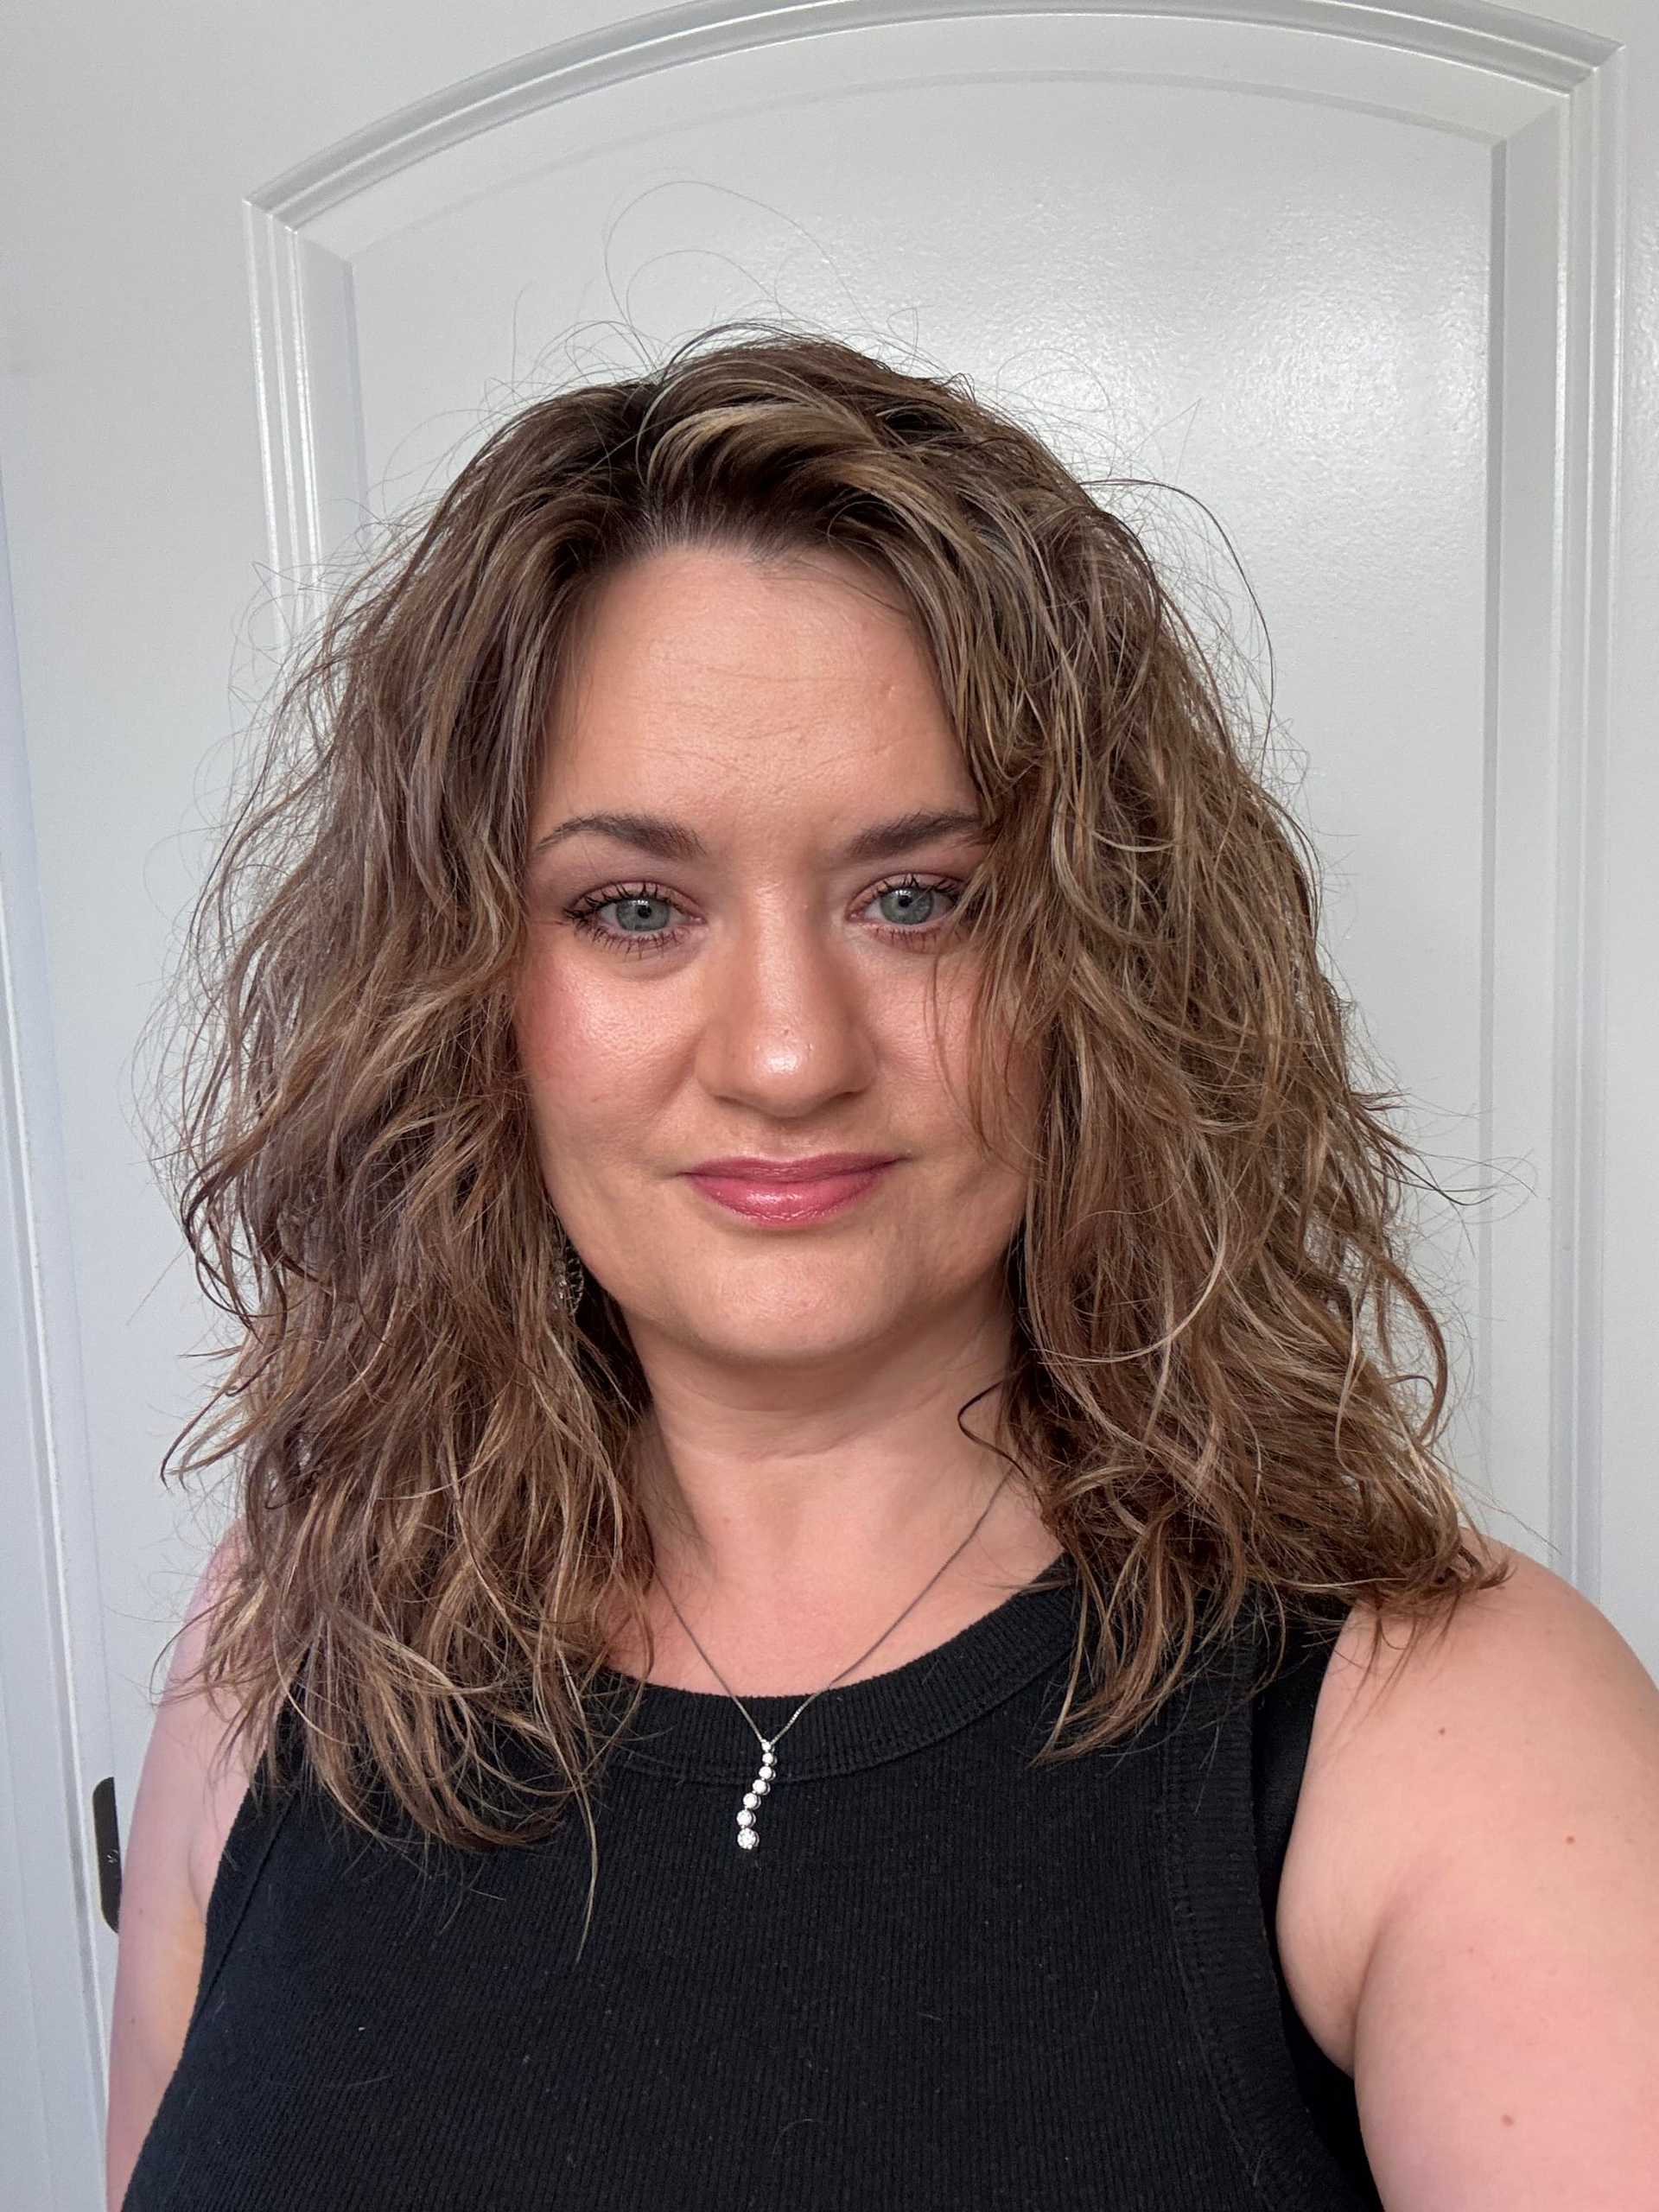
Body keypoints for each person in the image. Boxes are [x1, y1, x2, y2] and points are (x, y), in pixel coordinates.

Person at [107, 327, 1659, 2211]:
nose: (785, 1053)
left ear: (1111, 953)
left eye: (918, 896)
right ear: (466, 990)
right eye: (634, 908)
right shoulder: (288, 1637)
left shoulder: (1445, 1728)